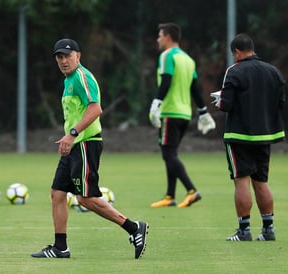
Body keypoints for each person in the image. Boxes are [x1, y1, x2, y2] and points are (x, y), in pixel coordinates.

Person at [31, 38, 148, 259]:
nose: (63, 60)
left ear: (78, 55)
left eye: (67, 55)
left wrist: (72, 134)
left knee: (85, 198)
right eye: (59, 57)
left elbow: (96, 109)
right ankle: (60, 247)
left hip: (85, 143)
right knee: (57, 193)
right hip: (75, 144)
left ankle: (134, 228)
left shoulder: (82, 77)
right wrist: (69, 138)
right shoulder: (69, 80)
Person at [211, 33, 285, 241]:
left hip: (239, 135)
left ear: (236, 52)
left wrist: (219, 100)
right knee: (261, 181)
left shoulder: (234, 71)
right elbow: (281, 102)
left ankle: (244, 231)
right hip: (265, 135)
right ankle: (268, 230)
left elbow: (226, 105)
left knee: (241, 181)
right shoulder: (273, 71)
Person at [149, 23, 215, 208]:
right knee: (171, 154)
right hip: (185, 114)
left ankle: (191, 191)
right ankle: (170, 196)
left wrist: (156, 103)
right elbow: (195, 88)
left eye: (160, 35)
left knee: (168, 154)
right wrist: (202, 111)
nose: (158, 39)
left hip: (170, 112)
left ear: (168, 37)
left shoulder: (166, 56)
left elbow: (166, 81)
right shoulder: (188, 59)